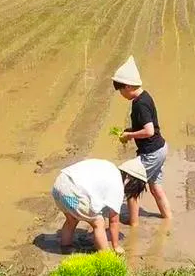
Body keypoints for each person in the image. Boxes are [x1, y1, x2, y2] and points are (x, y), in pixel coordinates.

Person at [112, 56, 172, 226]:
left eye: (121, 90)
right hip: (160, 148)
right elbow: (148, 127)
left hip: (152, 152)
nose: (121, 94)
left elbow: (149, 131)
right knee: (155, 188)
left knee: (131, 186)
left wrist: (129, 136)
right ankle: (168, 220)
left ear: (129, 86)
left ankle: (134, 226)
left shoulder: (140, 104)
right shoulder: (144, 97)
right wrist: (129, 131)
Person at [51, 157, 147, 253]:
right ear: (129, 181)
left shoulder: (109, 166)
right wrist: (116, 246)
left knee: (72, 219)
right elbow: (114, 221)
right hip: (72, 193)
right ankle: (105, 255)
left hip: (59, 186)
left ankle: (65, 246)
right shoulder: (118, 186)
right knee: (98, 222)